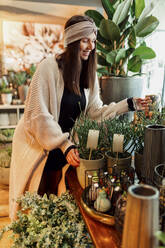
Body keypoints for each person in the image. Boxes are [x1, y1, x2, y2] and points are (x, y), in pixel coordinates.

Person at [9, 15, 150, 220]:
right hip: (37, 144)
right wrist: (65, 144)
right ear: (72, 40)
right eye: (85, 40)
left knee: (53, 201)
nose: (90, 46)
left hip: (62, 147)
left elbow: (94, 112)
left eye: (93, 41)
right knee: (33, 202)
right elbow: (38, 115)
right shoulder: (48, 67)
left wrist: (127, 105)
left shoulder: (88, 74)